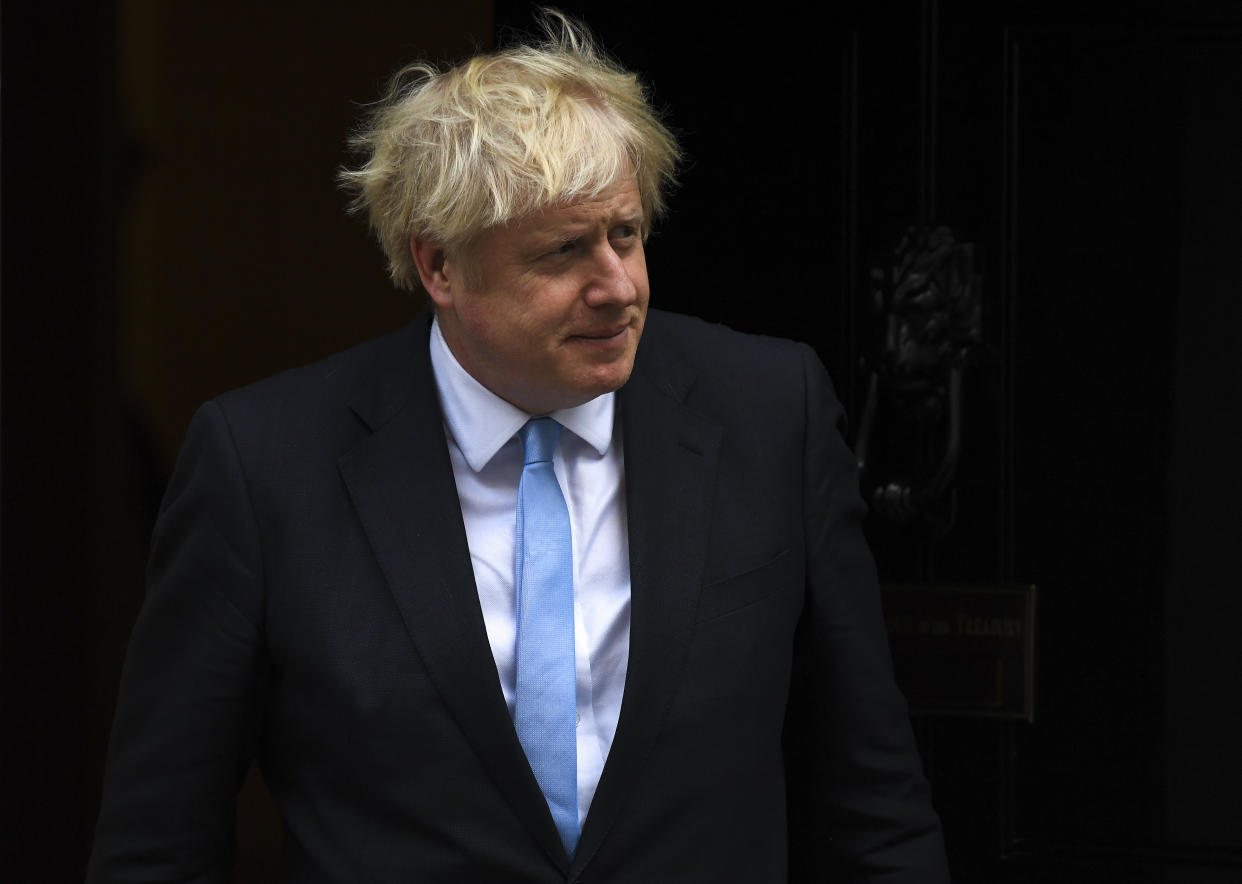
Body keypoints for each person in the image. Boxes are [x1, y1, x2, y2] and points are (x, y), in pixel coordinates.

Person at [87, 11, 949, 883]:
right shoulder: (264, 464)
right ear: (440, 269)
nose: (617, 287)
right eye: (564, 252)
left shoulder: (771, 412)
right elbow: (158, 840)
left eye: (626, 233)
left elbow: (871, 801)